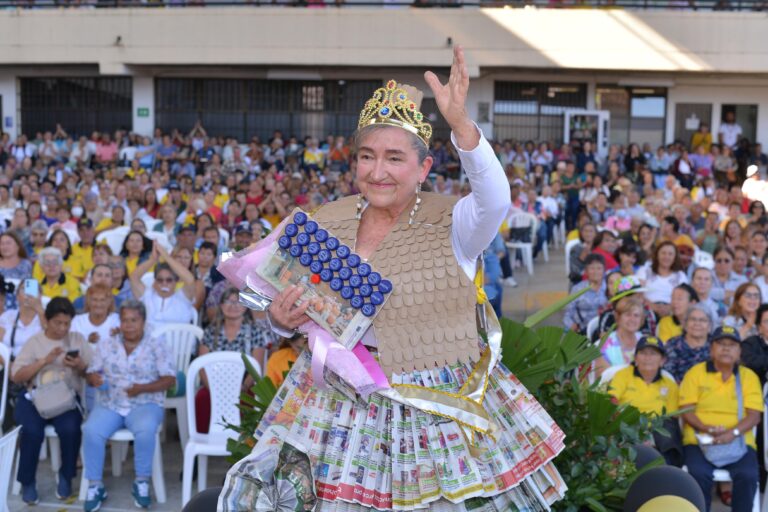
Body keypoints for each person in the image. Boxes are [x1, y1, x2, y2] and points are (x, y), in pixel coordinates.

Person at [221, 48, 566, 509]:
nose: (377, 172)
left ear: (423, 168)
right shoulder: (328, 218)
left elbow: (495, 199)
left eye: (394, 159)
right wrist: (282, 320)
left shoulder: (457, 223)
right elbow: (298, 309)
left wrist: (461, 125)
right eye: (367, 157)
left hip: (433, 404)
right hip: (337, 404)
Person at [83, 300, 175, 511]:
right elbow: (91, 371)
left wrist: (142, 388)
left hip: (145, 402)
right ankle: (95, 486)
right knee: (91, 430)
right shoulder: (107, 344)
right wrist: (94, 378)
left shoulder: (157, 345)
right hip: (112, 402)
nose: (129, 325)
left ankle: (141, 482)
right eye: (125, 320)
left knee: (145, 430)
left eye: (134, 320)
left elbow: (169, 379)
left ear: (143, 321)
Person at [11, 298, 92, 504]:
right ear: (47, 320)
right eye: (58, 323)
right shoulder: (35, 342)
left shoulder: (77, 339)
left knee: (71, 429)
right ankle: (27, 481)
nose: (63, 328)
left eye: (67, 323)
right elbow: (17, 376)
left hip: (65, 400)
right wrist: (44, 361)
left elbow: (92, 373)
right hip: (35, 398)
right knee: (31, 431)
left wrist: (79, 365)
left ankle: (66, 476)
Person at [680, 326, 762, 512]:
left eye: (732, 345)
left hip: (739, 440)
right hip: (699, 439)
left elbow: (754, 415)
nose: (726, 349)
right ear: (711, 349)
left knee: (748, 475)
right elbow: (685, 409)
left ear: (739, 351)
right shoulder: (696, 373)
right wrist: (705, 428)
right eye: (721, 344)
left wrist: (731, 433)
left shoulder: (748, 377)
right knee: (698, 474)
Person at [194, 287, 276, 432]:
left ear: (246, 307)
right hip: (213, 383)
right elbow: (202, 366)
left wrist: (242, 387)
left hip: (244, 385)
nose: (233, 306)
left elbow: (256, 367)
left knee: (247, 401)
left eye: (238, 302)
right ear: (221, 305)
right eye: (228, 301)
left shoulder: (256, 331)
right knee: (201, 398)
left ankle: (243, 445)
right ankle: (204, 441)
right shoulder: (210, 332)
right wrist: (213, 388)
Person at [608, 336, 682, 466]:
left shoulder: (669, 384)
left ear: (662, 360)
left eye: (653, 354)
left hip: (657, 431)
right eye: (643, 353)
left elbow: (672, 417)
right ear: (635, 358)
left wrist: (651, 438)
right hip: (626, 425)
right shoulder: (623, 375)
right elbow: (612, 400)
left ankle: (665, 472)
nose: (648, 357)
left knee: (670, 436)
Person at [129, 242, 196, 326]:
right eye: (160, 280)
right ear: (155, 282)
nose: (164, 283)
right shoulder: (147, 296)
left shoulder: (183, 297)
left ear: (175, 282)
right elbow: (134, 277)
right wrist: (152, 260)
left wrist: (166, 257)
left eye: (169, 280)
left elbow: (190, 279)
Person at [636, 241, 689, 318]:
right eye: (663, 253)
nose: (666, 257)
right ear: (657, 255)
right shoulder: (645, 270)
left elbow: (684, 298)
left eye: (670, 254)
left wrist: (669, 308)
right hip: (646, 310)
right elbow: (638, 294)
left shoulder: (680, 275)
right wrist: (654, 307)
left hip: (672, 312)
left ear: (675, 257)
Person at [595, 296, 645, 376]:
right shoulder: (605, 345)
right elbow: (601, 380)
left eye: (636, 315)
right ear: (618, 317)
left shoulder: (644, 341)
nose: (632, 319)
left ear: (641, 319)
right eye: (628, 314)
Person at [664, 304, 713, 383]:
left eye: (703, 320)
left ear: (710, 326)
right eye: (693, 319)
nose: (697, 323)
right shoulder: (673, 344)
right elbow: (667, 375)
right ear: (685, 324)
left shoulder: (716, 345)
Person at [563, 254, 607, 333]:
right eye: (592, 268)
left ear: (604, 270)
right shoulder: (577, 289)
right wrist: (572, 325)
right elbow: (568, 313)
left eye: (599, 268)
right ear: (586, 271)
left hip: (605, 330)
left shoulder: (609, 288)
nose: (596, 272)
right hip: (582, 330)